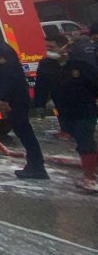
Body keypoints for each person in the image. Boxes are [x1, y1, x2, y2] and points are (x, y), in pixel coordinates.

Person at [0, 22, 48, 179]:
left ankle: (36, 167)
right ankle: (34, 165)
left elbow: (10, 76)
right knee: (23, 131)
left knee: (24, 132)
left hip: (15, 99)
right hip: (14, 98)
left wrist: (4, 98)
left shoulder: (1, 50)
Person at [53, 37, 98, 192]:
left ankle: (90, 178)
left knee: (86, 143)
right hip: (68, 112)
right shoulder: (57, 67)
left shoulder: (82, 67)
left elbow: (94, 85)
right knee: (82, 142)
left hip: (84, 110)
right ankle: (90, 173)